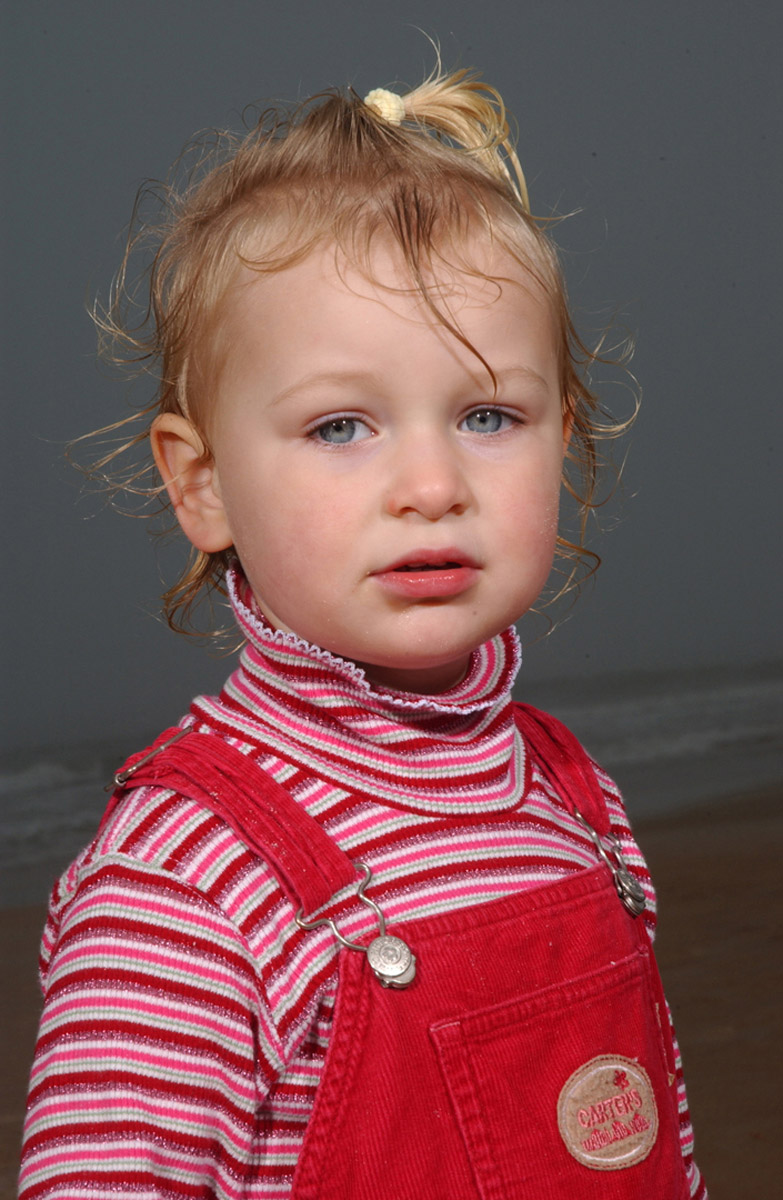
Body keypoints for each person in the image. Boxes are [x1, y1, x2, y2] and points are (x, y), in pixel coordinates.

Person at [19, 65, 706, 1199]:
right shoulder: (182, 886)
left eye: (490, 415)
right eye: (341, 425)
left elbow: (655, 1139)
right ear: (204, 485)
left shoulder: (572, 798)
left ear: (564, 441)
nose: (432, 483)